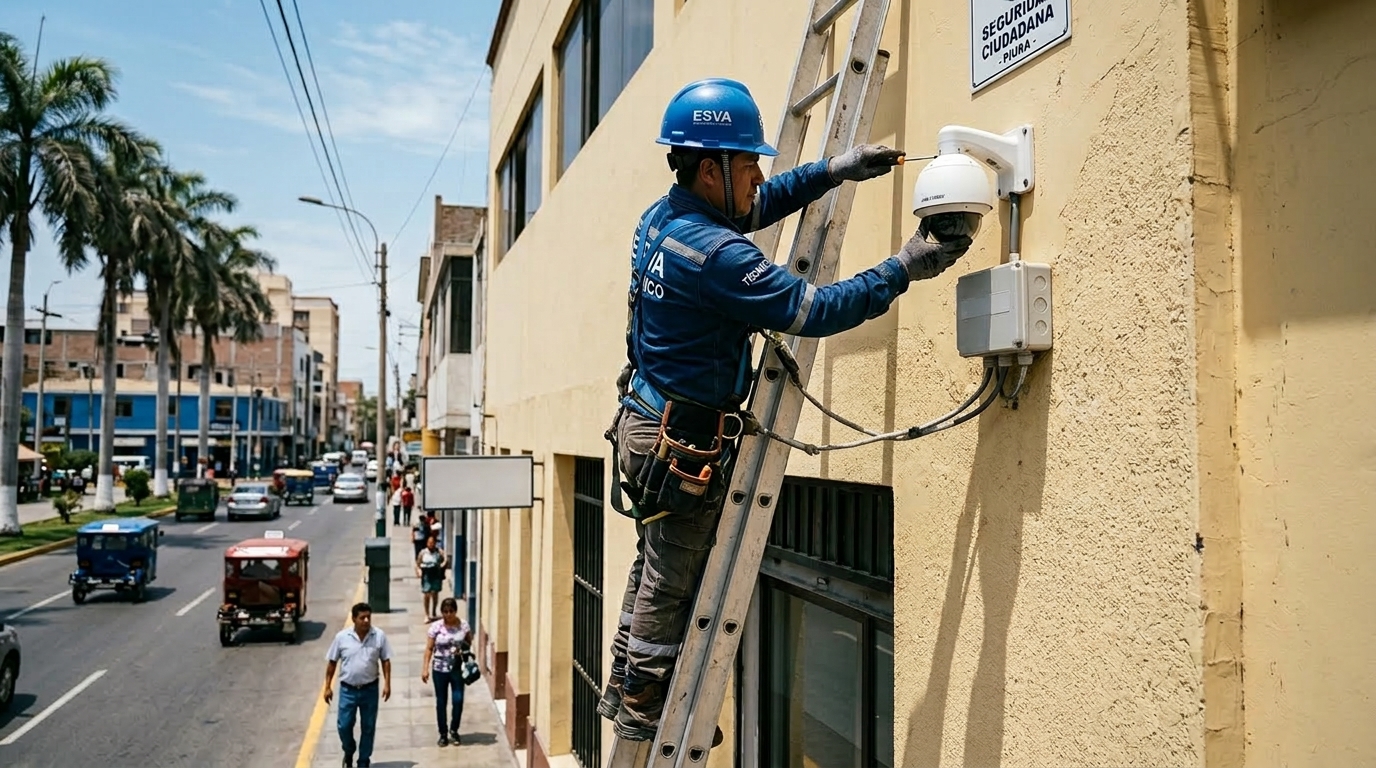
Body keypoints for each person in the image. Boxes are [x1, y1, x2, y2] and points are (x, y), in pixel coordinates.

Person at [599, 78, 974, 742]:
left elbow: (758, 204)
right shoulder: (715, 255)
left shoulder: (665, 218)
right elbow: (814, 310)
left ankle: (625, 686)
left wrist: (834, 170)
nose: (757, 179)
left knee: (653, 560)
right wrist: (905, 266)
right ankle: (644, 707)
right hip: (677, 441)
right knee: (673, 575)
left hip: (643, 415)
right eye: (748, 166)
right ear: (711, 168)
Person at [322, 602, 393, 768]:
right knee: (344, 726)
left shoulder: (379, 636)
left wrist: (387, 684)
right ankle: (349, 749)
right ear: (354, 619)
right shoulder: (341, 638)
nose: (366, 621)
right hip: (348, 691)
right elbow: (332, 663)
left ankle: (363, 761)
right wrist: (327, 686)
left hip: (370, 689)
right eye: (362, 618)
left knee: (368, 727)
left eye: (368, 617)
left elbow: (386, 660)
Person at [421, 597, 472, 747]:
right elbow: (429, 648)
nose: (448, 615)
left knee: (458, 700)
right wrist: (425, 668)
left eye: (451, 611)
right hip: (439, 669)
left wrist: (462, 650)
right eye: (445, 612)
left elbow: (469, 642)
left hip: (457, 669)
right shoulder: (436, 627)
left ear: (455, 611)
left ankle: (454, 729)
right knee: (441, 702)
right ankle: (443, 733)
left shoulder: (463, 626)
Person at [415, 535, 448, 622]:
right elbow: (418, 563)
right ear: (427, 543)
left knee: (435, 593)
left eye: (433, 543)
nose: (431, 544)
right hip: (426, 575)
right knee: (426, 594)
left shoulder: (439, 551)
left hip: (436, 575)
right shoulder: (423, 552)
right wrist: (419, 571)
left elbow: (445, 559)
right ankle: (426, 614)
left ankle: (433, 610)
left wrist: (442, 565)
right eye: (429, 543)